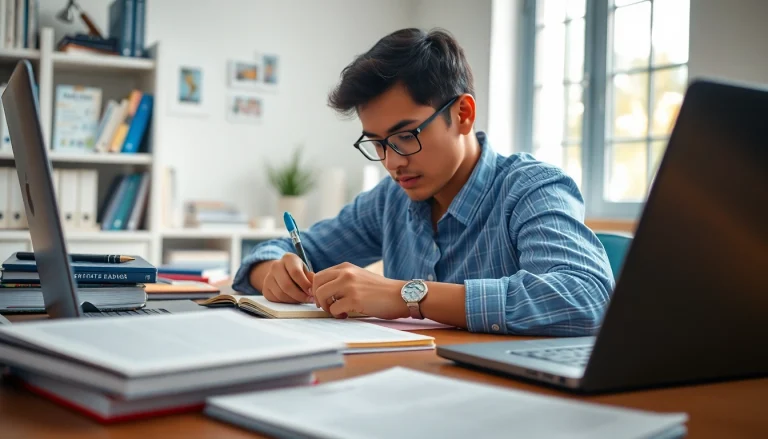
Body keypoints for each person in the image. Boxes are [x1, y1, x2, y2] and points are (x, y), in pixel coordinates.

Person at [232, 28, 614, 335]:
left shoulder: (531, 189)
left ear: (463, 114)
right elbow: (277, 251)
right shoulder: (389, 200)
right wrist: (275, 274)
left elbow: (586, 297)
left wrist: (405, 296)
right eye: (377, 143)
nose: (393, 162)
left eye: (406, 136)